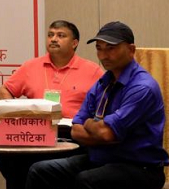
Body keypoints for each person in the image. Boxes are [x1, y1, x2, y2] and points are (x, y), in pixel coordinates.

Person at [27, 21, 168, 189]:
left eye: (111, 48)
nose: (103, 55)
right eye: (99, 48)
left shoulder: (142, 87)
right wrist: (98, 130)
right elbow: (76, 129)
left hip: (139, 166)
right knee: (40, 170)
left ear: (131, 50)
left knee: (87, 180)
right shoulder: (103, 82)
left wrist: (91, 124)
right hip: (102, 158)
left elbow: (106, 133)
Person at [0, 20, 104, 189]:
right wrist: (16, 113)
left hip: (70, 135)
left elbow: (106, 103)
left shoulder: (92, 71)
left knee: (46, 165)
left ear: (74, 43)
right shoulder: (31, 66)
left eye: (61, 35)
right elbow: (4, 90)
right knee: (6, 158)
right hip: (34, 133)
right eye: (50, 35)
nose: (53, 39)